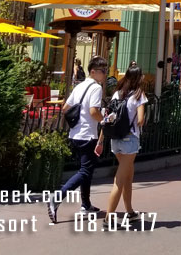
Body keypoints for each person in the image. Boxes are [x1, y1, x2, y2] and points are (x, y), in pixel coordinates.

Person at [47, 55, 107, 223]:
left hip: (75, 134)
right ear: (93, 71)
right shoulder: (95, 88)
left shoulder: (79, 86)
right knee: (85, 171)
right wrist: (105, 119)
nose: (105, 74)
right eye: (103, 71)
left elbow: (66, 107)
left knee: (86, 169)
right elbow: (94, 111)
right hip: (88, 134)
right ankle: (58, 197)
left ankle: (86, 204)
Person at [99, 62, 147, 228]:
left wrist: (100, 140)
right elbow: (140, 120)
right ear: (138, 78)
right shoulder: (139, 95)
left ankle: (130, 211)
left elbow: (108, 118)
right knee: (119, 180)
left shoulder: (117, 94)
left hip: (115, 139)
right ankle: (108, 216)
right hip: (129, 139)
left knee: (128, 176)